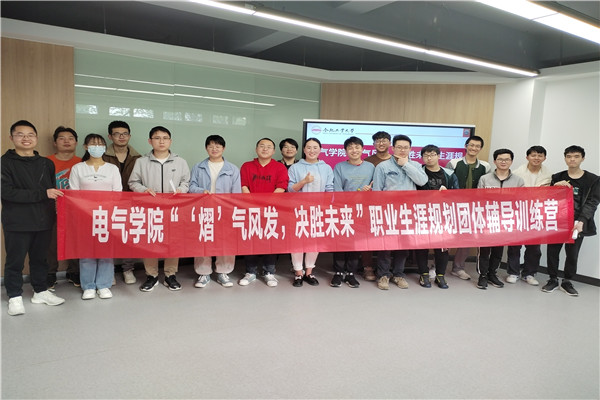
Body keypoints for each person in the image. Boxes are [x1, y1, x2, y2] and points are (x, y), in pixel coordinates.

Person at [2, 120, 66, 316]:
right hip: (17, 222)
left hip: (44, 220)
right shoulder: (4, 162)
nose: (26, 138)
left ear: (36, 138)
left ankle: (40, 291)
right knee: (15, 261)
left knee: (40, 259)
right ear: (11, 138)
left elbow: (52, 192)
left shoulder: (46, 163)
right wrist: (42, 194)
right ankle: (14, 296)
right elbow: (6, 193)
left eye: (30, 134)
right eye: (20, 134)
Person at [129, 126, 190, 292]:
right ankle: (152, 275)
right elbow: (133, 182)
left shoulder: (180, 162)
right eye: (157, 138)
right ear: (150, 141)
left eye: (165, 138)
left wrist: (181, 190)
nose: (161, 141)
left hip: (173, 209)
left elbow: (186, 182)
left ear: (170, 141)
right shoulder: (141, 162)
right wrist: (143, 190)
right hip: (150, 208)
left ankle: (170, 275)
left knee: (173, 241)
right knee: (150, 241)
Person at [69, 134, 122, 300]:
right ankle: (88, 286)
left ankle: (104, 284)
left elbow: (118, 193)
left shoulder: (112, 168)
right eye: (93, 144)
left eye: (100, 144)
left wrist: (108, 210)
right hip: (85, 216)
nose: (97, 147)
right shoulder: (78, 168)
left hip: (107, 215)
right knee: (86, 252)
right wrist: (86, 210)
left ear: (105, 148)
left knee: (106, 251)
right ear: (86, 147)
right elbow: (73, 193)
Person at [372, 134, 428, 290]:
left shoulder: (415, 165)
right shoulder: (382, 167)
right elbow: (377, 191)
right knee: (385, 246)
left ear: (410, 149)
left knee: (403, 245)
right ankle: (383, 275)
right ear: (393, 148)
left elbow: (422, 181)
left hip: (407, 213)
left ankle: (398, 274)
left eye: (405, 147)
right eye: (399, 147)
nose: (402, 150)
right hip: (388, 212)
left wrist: (406, 165)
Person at [543, 145, 599, 296]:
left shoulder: (593, 180)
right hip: (558, 221)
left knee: (572, 254)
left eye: (576, 156)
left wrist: (581, 221)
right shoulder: (557, 177)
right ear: (565, 158)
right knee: (552, 251)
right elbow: (548, 199)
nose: (572, 159)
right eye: (569, 156)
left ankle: (567, 281)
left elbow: (592, 202)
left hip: (577, 222)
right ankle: (552, 279)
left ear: (582, 158)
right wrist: (555, 187)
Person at [189, 134, 241, 288]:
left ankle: (223, 272)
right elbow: (191, 187)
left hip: (225, 211)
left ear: (223, 148)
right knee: (203, 240)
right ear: (206, 148)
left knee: (225, 241)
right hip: (204, 209)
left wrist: (232, 210)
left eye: (218, 146)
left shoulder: (232, 169)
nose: (214, 149)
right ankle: (203, 273)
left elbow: (236, 193)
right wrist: (201, 191)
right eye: (211, 146)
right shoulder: (198, 167)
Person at [238, 138, 289, 287]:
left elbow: (281, 187)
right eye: (262, 146)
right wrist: (254, 205)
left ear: (273, 151)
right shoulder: (247, 166)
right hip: (250, 209)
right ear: (256, 149)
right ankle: (250, 272)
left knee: (270, 239)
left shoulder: (279, 167)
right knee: (250, 240)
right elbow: (243, 186)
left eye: (268, 147)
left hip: (271, 210)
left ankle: (269, 272)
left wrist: (266, 205)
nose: (265, 149)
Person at [288, 137, 334, 287]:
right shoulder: (295, 167)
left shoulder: (326, 168)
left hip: (318, 211)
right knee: (297, 241)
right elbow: (290, 189)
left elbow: (329, 189)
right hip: (299, 210)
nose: (312, 150)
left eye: (315, 147)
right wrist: (304, 181)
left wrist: (327, 207)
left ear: (320, 150)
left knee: (314, 241)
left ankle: (309, 272)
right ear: (304, 150)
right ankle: (298, 272)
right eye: (308, 147)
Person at [476, 148, 524, 290]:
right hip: (487, 220)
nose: (503, 162)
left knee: (498, 250)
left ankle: (492, 274)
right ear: (495, 161)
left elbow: (521, 201)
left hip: (506, 221)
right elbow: (478, 199)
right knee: (484, 251)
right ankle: (482, 275)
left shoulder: (518, 181)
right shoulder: (485, 179)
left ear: (511, 161)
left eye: (507, 159)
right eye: (500, 159)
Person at [331, 136, 374, 288]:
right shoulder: (339, 167)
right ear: (345, 151)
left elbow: (376, 187)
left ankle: (351, 273)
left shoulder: (370, 167)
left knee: (356, 243)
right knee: (341, 242)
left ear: (363, 149)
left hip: (363, 210)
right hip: (344, 209)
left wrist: (370, 190)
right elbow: (337, 189)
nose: (354, 150)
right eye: (350, 148)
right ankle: (338, 272)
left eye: (357, 147)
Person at [446, 135, 491, 280]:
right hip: (452, 206)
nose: (474, 148)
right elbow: (447, 182)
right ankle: (438, 266)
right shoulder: (454, 163)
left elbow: (487, 186)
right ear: (466, 146)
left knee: (466, 238)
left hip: (473, 208)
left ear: (481, 148)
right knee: (446, 237)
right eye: (471, 145)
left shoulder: (485, 166)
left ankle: (458, 268)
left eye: (477, 146)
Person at [506, 145, 552, 285]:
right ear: (527, 157)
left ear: (544, 158)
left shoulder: (550, 175)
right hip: (518, 213)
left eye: (540, 155)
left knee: (534, 247)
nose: (536, 158)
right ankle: (513, 272)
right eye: (533, 155)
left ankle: (529, 274)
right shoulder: (516, 173)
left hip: (537, 214)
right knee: (515, 245)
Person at [103, 120, 142, 284]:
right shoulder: (102, 156)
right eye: (117, 134)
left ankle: (128, 269)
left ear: (129, 136)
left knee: (128, 237)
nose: (121, 137)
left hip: (131, 203)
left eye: (125, 133)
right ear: (110, 136)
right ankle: (108, 270)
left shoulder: (138, 157)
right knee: (107, 237)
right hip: (106, 204)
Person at [415, 144, 459, 289]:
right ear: (422, 157)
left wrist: (448, 194)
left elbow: (457, 194)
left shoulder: (449, 174)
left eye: (432, 154)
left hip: (443, 215)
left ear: (439, 156)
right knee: (422, 246)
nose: (429, 158)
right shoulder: (417, 172)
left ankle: (440, 275)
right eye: (426, 155)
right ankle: (423, 274)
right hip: (421, 214)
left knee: (442, 247)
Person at [46, 126, 81, 289]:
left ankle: (74, 271)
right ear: (55, 143)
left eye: (70, 138)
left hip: (77, 210)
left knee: (76, 240)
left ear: (76, 142)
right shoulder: (46, 162)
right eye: (62, 138)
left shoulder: (82, 163)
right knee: (50, 243)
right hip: (50, 209)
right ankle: (49, 273)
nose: (66, 141)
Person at [362, 131, 393, 281]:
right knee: (367, 236)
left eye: (384, 140)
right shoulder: (367, 161)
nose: (381, 143)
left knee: (387, 237)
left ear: (390, 143)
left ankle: (387, 270)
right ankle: (367, 267)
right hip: (370, 205)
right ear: (373, 144)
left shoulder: (396, 160)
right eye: (378, 141)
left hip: (390, 206)